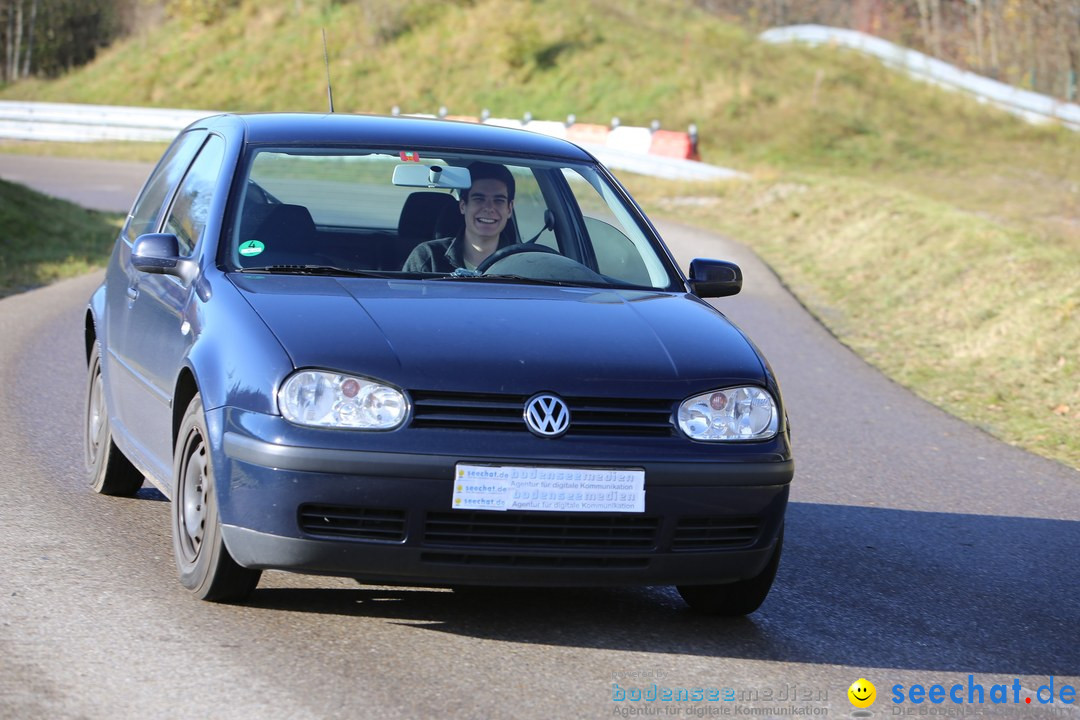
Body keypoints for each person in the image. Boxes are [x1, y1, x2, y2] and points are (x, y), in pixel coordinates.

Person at [402, 161, 517, 273]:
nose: (489, 208)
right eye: (479, 199)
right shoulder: (427, 258)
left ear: (509, 209)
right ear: (463, 206)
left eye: (498, 200)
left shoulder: (522, 262)